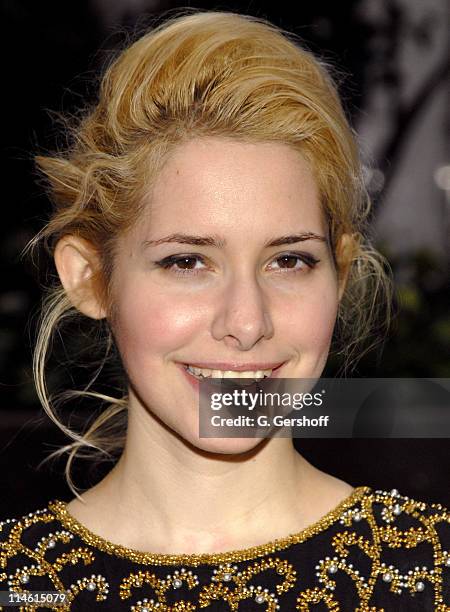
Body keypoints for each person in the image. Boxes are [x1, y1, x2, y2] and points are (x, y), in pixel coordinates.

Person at [1, 10, 448, 611]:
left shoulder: (432, 572)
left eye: (289, 261)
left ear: (339, 275)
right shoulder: (18, 586)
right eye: (187, 262)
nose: (246, 321)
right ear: (91, 277)